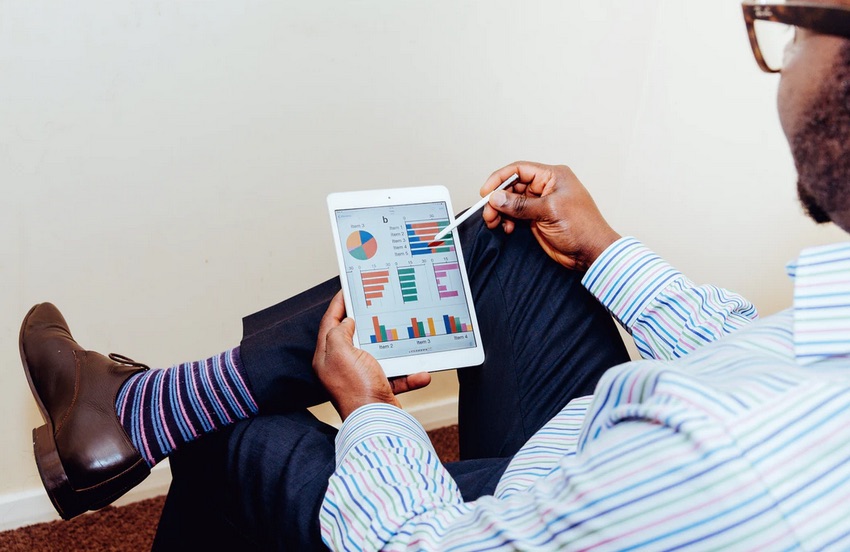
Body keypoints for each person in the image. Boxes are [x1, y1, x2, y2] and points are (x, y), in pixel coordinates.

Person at [18, 0, 850, 549]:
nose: (783, 54)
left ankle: (147, 413)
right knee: (513, 239)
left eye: (794, 27)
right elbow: (757, 353)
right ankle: (128, 414)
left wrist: (372, 412)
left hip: (510, 516)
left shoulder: (736, 461)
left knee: (241, 437)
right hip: (594, 459)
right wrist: (606, 247)